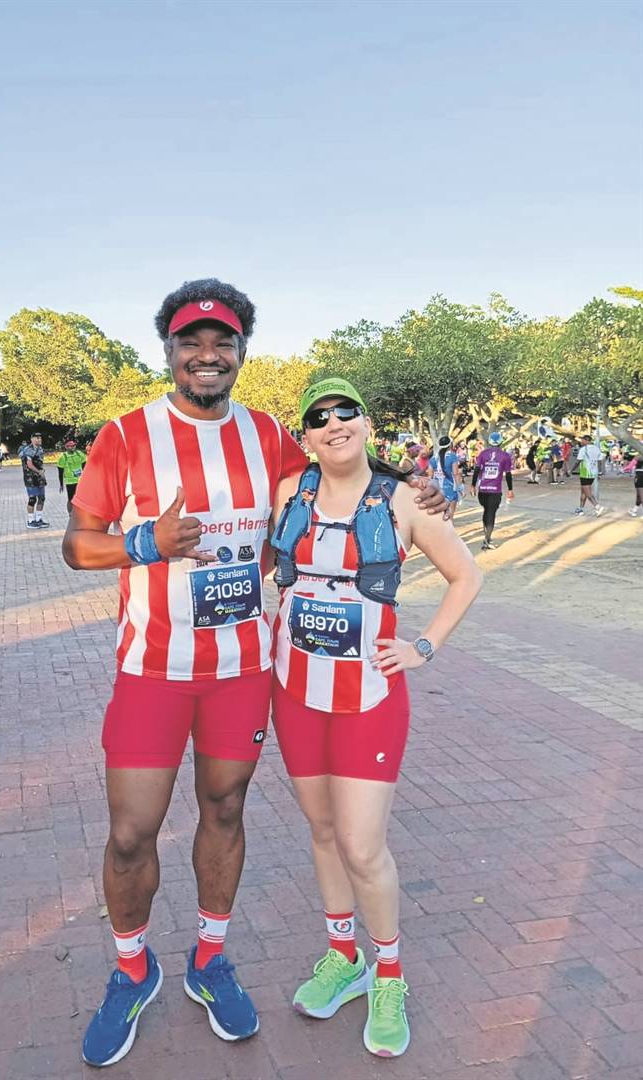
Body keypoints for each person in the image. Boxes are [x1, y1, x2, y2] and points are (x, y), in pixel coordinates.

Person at [61, 280, 447, 1069]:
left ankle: (209, 960)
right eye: (190, 341)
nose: (207, 354)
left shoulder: (268, 434)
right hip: (152, 669)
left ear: (240, 351)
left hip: (242, 670)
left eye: (223, 341)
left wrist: (414, 488)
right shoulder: (126, 434)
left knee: (225, 810)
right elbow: (76, 544)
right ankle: (132, 971)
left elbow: (341, 469)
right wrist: (145, 544)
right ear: (168, 349)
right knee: (131, 833)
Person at [270, 379, 481, 1059]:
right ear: (305, 435)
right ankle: (344, 957)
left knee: (363, 846)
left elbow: (466, 575)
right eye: (318, 417)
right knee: (323, 831)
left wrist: (422, 647)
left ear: (365, 422)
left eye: (345, 412)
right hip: (294, 690)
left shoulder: (404, 500)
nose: (333, 423)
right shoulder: (289, 491)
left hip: (369, 696)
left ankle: (388, 974)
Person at [471, 432, 514, 549]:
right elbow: (508, 474)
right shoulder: (505, 456)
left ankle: (487, 536)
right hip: (495, 490)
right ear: (501, 442)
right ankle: (487, 539)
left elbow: (476, 469)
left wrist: (473, 485)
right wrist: (510, 489)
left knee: (486, 511)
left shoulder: (483, 454)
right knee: (491, 513)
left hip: (483, 489)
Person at [428, 435, 463, 520]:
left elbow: (430, 476)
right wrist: (460, 488)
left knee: (439, 515)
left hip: (437, 489)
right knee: (450, 514)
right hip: (450, 488)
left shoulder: (433, 458)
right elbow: (455, 473)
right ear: (450, 445)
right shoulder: (452, 456)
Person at [20, 434, 49, 529]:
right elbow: (29, 464)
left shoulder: (40, 449)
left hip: (40, 477)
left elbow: (39, 462)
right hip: (30, 478)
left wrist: (41, 471)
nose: (39, 439)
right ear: (32, 439)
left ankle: (38, 519)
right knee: (32, 499)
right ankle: (31, 520)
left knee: (42, 498)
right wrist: (38, 471)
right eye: (37, 438)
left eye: (40, 438)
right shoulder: (28, 450)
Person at [574, 434, 604, 517]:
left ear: (586, 440)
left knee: (588, 493)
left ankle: (597, 506)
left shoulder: (583, 449)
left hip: (585, 473)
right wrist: (599, 472)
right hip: (593, 473)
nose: (581, 442)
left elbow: (578, 461)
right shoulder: (596, 449)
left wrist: (572, 470)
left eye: (582, 440)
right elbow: (600, 461)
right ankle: (581, 509)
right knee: (583, 491)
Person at [57, 436, 87, 512]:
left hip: (80, 480)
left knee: (80, 498)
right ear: (66, 447)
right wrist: (61, 484)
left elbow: (85, 467)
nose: (72, 447)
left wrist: (86, 479)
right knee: (70, 499)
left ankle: (79, 513)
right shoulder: (63, 457)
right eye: (70, 446)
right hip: (70, 481)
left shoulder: (79, 454)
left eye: (73, 446)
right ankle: (70, 513)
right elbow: (60, 471)